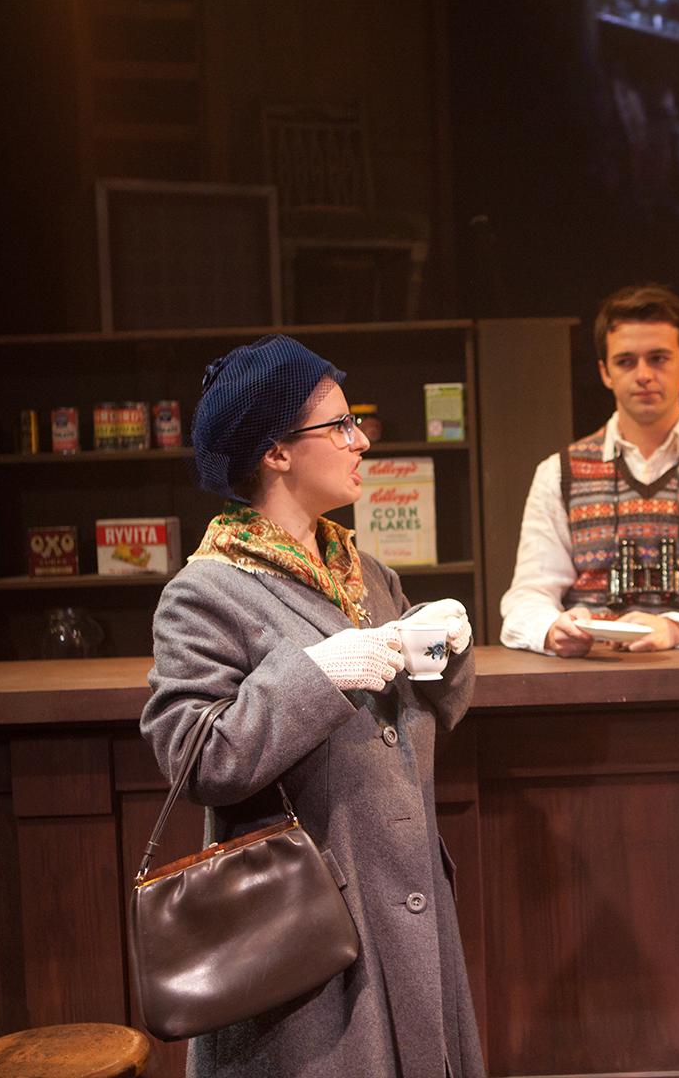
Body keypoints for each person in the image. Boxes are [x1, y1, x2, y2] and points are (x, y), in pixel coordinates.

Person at [140, 334, 483, 1078]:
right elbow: (196, 758)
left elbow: (407, 731)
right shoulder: (204, 593)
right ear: (276, 452)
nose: (360, 440)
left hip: (404, 907)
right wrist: (315, 676)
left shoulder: (366, 572)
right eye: (339, 425)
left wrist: (443, 654)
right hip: (306, 939)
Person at [498, 283, 679, 656]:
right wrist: (550, 630)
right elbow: (525, 598)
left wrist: (676, 628)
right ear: (606, 372)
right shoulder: (559, 473)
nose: (643, 375)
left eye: (658, 358)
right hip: (588, 684)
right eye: (626, 361)